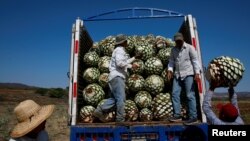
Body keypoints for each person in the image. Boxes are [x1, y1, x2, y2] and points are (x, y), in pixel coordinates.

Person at [93, 34, 141, 123]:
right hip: (117, 77)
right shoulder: (119, 50)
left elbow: (123, 61)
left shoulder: (119, 50)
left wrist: (134, 58)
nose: (127, 42)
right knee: (121, 99)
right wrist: (132, 66)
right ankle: (120, 119)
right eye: (126, 41)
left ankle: (99, 110)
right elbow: (120, 63)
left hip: (114, 77)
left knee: (114, 99)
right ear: (123, 42)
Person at [167, 32, 200, 125]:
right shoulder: (173, 50)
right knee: (174, 94)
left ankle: (193, 117)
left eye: (180, 41)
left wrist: (197, 73)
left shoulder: (190, 48)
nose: (178, 43)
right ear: (175, 41)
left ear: (183, 39)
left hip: (188, 74)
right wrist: (169, 70)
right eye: (177, 41)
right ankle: (177, 115)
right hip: (177, 75)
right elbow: (171, 61)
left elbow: (195, 60)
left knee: (190, 95)